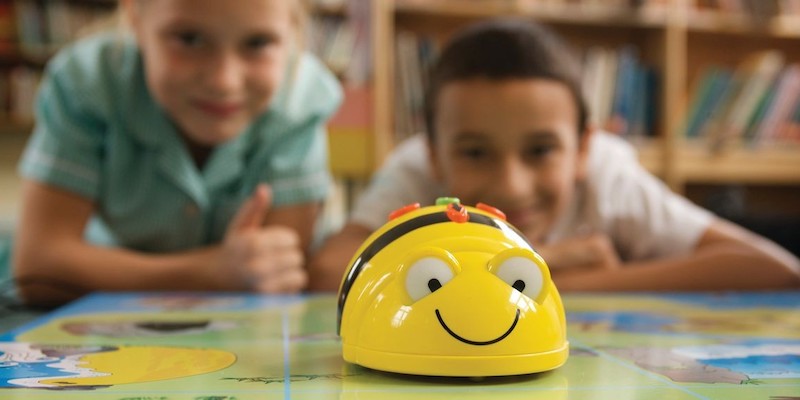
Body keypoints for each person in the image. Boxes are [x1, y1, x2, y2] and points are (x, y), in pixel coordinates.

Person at [308, 18, 800, 292]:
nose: (512, 185)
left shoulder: (607, 175)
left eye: (541, 150)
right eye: (475, 151)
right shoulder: (414, 171)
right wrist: (539, 265)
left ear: (584, 148)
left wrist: (583, 282)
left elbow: (774, 271)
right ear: (433, 155)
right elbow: (329, 271)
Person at [12, 0, 342, 307]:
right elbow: (38, 269)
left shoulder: (303, 99)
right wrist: (209, 274)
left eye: (257, 43)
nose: (223, 81)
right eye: (189, 39)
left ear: (294, 33)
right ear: (135, 20)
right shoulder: (86, 82)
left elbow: (279, 273)